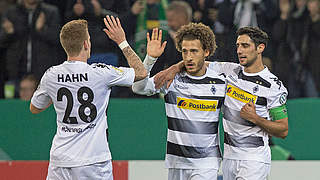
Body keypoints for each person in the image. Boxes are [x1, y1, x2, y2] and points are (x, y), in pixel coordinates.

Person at [154, 26, 289, 180]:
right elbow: (198, 62)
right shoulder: (229, 70)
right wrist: (174, 68)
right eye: (238, 46)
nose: (239, 51)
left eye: (245, 46)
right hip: (229, 157)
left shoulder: (273, 86)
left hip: (254, 158)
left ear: (260, 48)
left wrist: (255, 118)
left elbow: (283, 129)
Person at [29, 15, 147, 179]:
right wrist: (122, 42)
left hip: (60, 161)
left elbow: (35, 108)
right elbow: (141, 72)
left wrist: (58, 91)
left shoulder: (51, 75)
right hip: (93, 161)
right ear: (86, 44)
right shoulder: (100, 73)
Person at [132, 23, 224, 180]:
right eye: (185, 51)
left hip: (206, 162)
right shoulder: (171, 79)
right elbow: (138, 88)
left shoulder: (221, 83)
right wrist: (150, 59)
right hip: (177, 161)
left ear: (206, 52)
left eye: (194, 51)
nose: (188, 57)